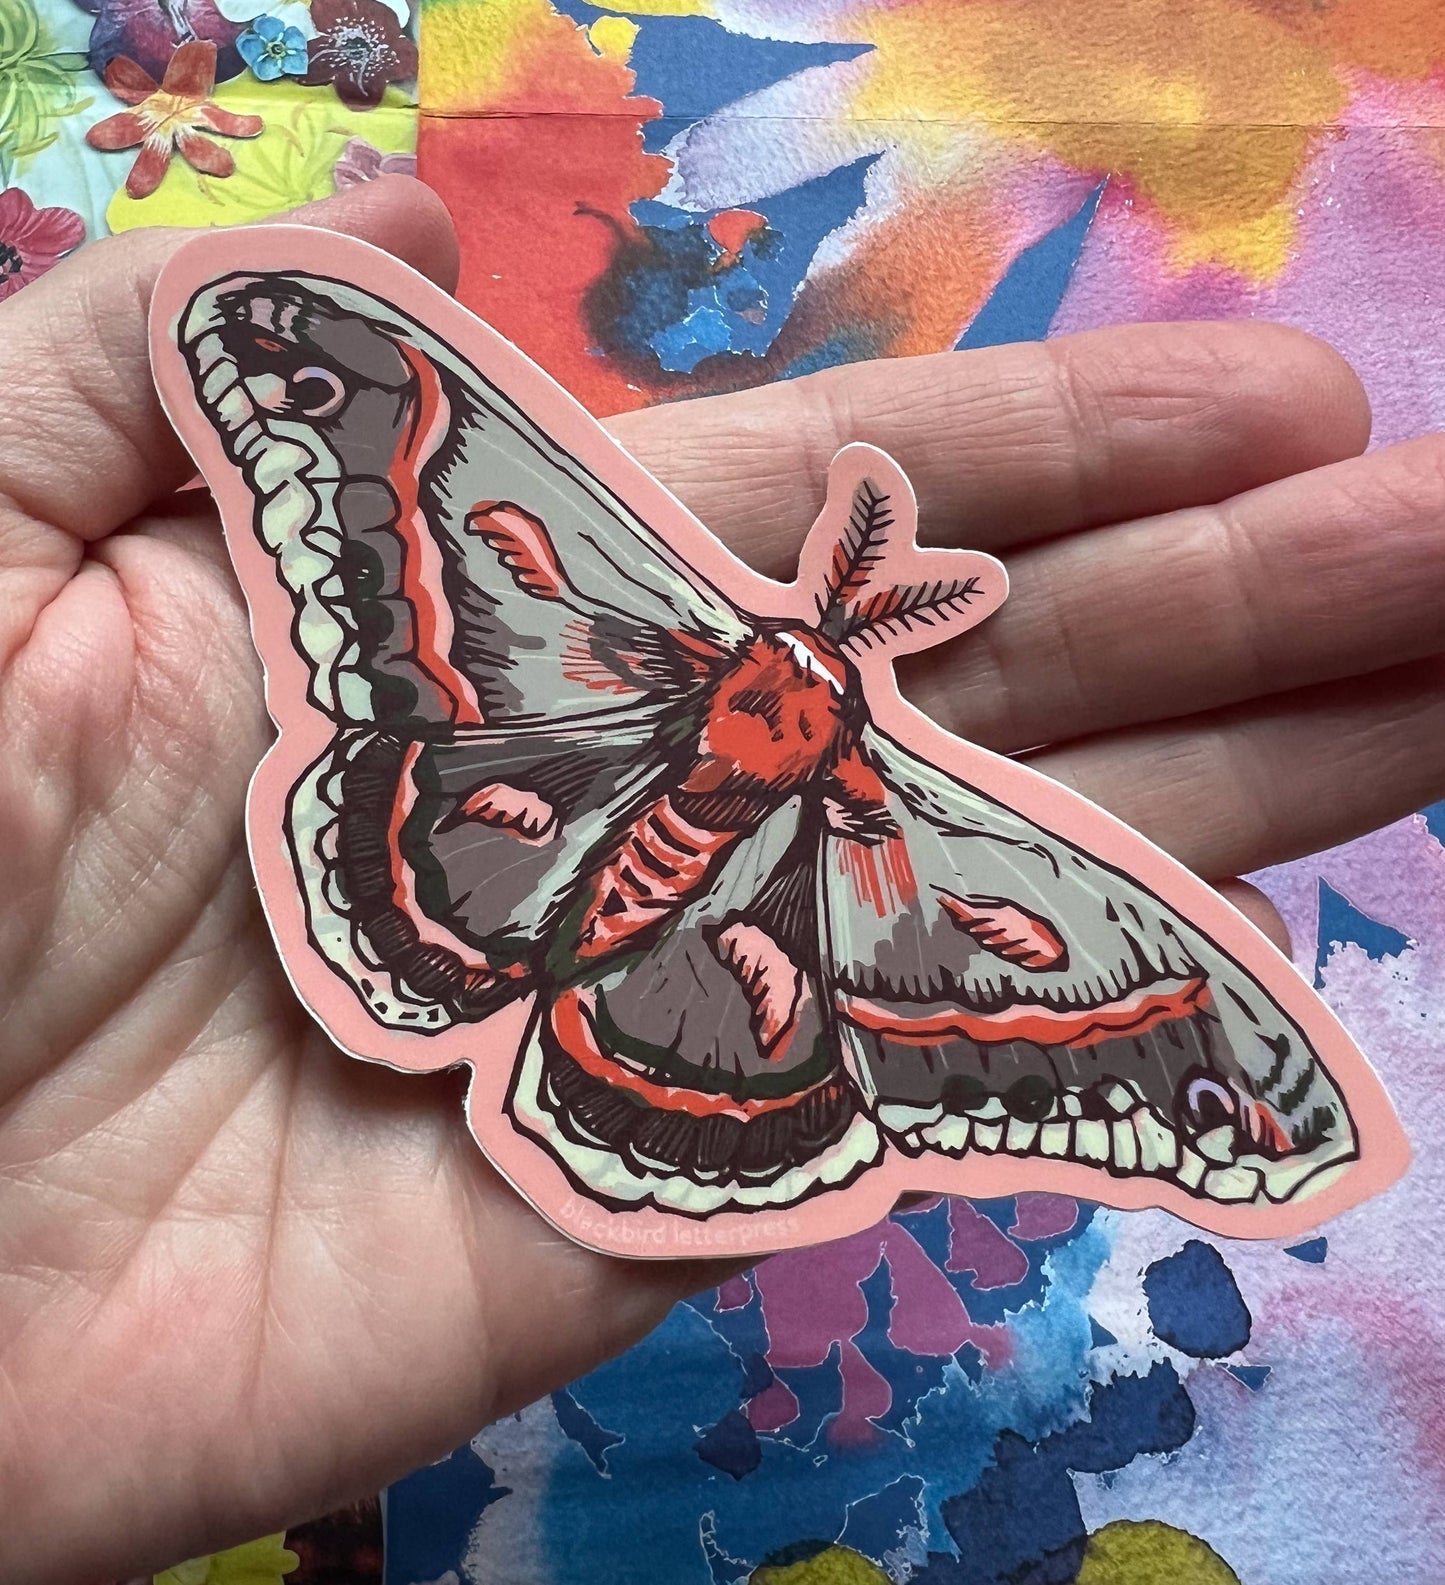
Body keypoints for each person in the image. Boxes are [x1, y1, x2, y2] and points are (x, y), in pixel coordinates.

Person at [1, 176, 1440, 1585]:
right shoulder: (857, 770)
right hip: (651, 930)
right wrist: (307, 350)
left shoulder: (728, 670)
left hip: (507, 841)